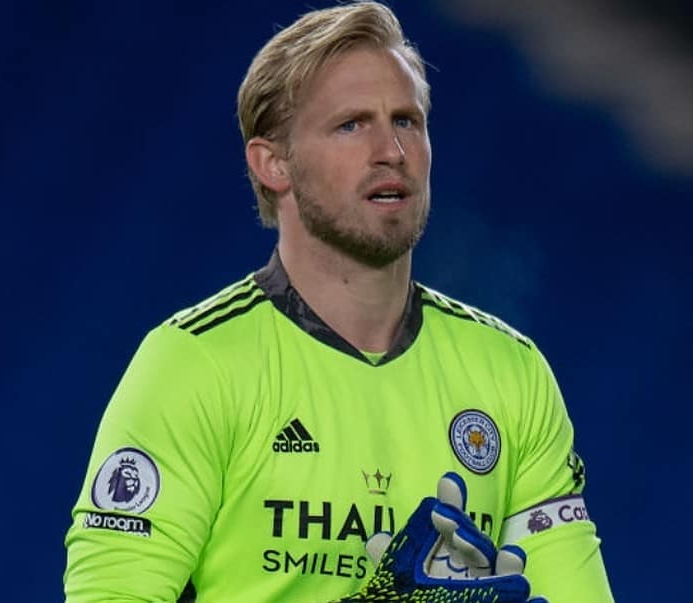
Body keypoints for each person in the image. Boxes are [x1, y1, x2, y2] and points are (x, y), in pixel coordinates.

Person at [64, 2, 614, 602]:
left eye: (406, 120)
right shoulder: (195, 365)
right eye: (351, 124)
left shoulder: (513, 375)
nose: (392, 151)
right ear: (273, 163)